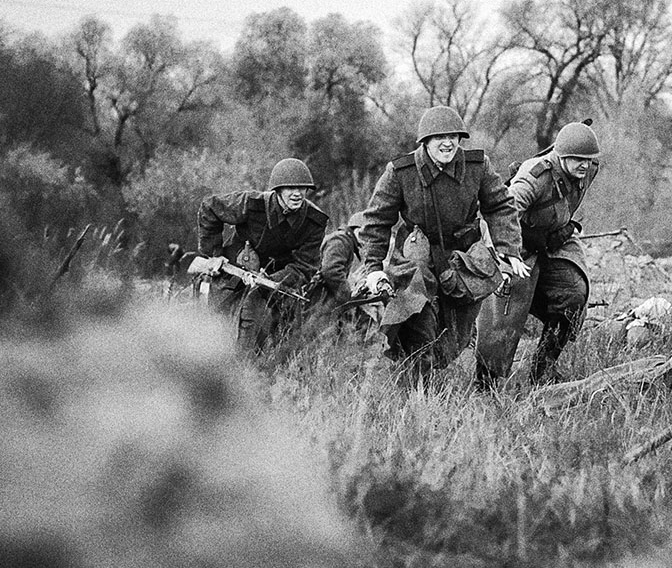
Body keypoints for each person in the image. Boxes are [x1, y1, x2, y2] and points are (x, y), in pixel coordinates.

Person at [357, 105, 529, 383]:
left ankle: (428, 370)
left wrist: (508, 249)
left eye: (453, 137)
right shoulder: (401, 172)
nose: (447, 143)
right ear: (425, 141)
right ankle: (416, 388)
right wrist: (373, 268)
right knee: (415, 318)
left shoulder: (477, 166)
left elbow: (500, 206)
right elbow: (376, 221)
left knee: (454, 338)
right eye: (439, 137)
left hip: (462, 259)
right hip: (416, 259)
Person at [476, 121, 600, 386]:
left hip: (554, 242)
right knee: (503, 314)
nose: (584, 165)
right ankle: (486, 382)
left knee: (574, 295)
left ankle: (543, 369)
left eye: (588, 160)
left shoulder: (588, 171)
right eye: (578, 159)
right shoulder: (534, 177)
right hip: (517, 244)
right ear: (561, 156)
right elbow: (503, 211)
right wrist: (507, 254)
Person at [197, 158, 328, 351]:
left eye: (302, 188)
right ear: (278, 189)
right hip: (234, 269)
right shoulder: (252, 204)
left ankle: (247, 364)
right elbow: (210, 208)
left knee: (269, 334)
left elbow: (305, 267)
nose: (297, 193)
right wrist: (214, 254)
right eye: (290, 188)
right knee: (214, 323)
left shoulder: (314, 221)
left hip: (275, 282)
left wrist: (269, 280)